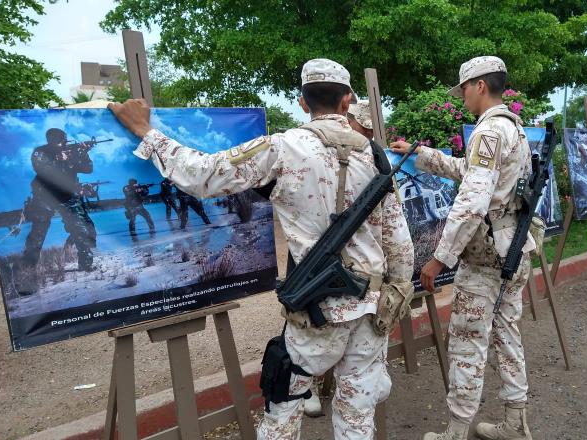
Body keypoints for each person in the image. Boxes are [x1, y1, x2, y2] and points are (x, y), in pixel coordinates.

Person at [109, 58, 414, 440]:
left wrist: (144, 130)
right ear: (347, 100)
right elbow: (399, 244)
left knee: (284, 401)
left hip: (319, 310)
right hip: (371, 309)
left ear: (302, 103)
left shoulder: (282, 148)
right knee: (357, 415)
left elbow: (203, 175)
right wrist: (395, 296)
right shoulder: (377, 156)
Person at [391, 56, 536, 440]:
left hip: (488, 256)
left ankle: (455, 433)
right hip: (514, 247)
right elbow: (469, 171)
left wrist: (439, 259)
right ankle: (516, 423)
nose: (462, 98)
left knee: (467, 342)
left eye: (464, 90)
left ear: (480, 87)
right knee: (507, 333)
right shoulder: (513, 128)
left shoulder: (488, 133)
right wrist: (420, 155)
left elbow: (472, 199)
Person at [21, 128, 97, 290]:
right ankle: (28, 269)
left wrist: (82, 153)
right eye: (60, 140)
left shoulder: (72, 151)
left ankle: (86, 263)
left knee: (81, 227)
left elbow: (88, 169)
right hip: (45, 195)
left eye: (64, 140)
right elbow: (43, 171)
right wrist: (61, 160)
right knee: (38, 233)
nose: (63, 143)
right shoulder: (40, 152)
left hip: (68, 195)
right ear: (50, 140)